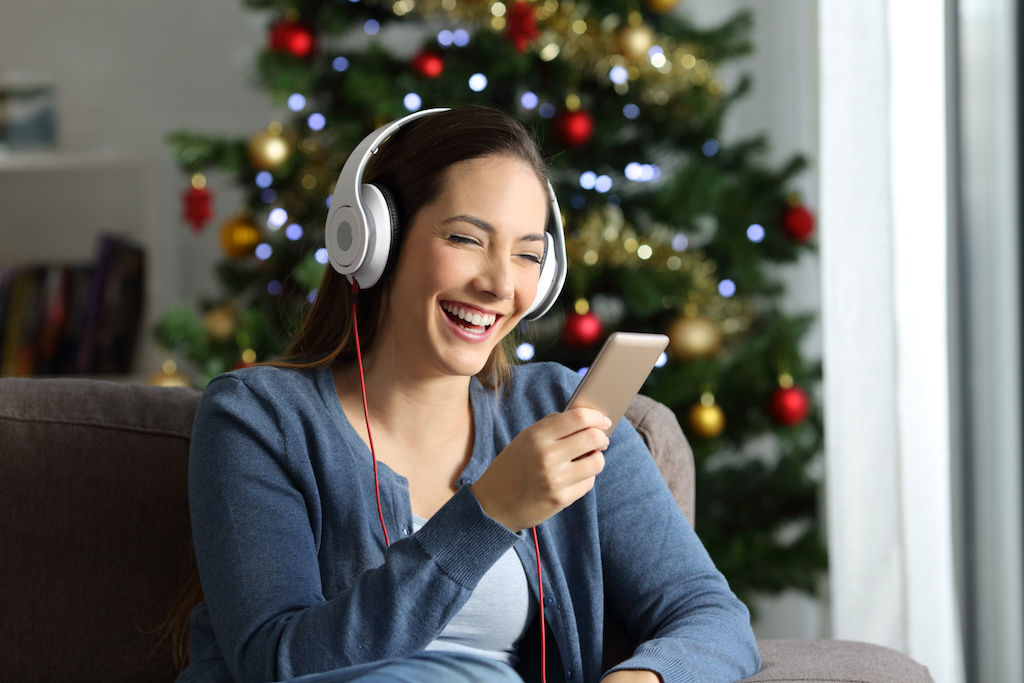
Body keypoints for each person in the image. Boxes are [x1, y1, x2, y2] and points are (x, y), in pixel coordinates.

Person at [175, 105, 761, 683]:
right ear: (375, 239)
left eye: (528, 255)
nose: (500, 284)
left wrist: (645, 680)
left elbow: (713, 617)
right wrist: (487, 514)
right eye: (465, 238)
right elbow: (275, 663)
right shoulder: (259, 416)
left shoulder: (563, 411)